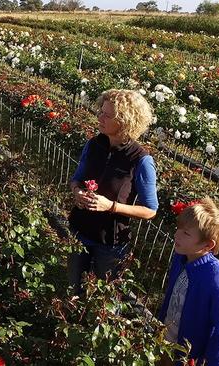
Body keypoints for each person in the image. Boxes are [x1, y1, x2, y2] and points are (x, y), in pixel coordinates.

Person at [68, 89, 158, 293]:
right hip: (79, 229)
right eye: (101, 111)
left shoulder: (141, 161)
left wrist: (111, 206)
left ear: (125, 121)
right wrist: (76, 191)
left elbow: (150, 210)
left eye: (107, 115)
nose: (100, 117)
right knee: (75, 285)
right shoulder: (93, 145)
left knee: (106, 294)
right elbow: (77, 178)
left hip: (110, 241)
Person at [157, 197, 219, 366]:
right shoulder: (182, 258)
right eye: (179, 228)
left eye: (185, 233)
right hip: (164, 343)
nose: (176, 234)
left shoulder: (216, 277)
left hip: (188, 357)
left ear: (208, 245)